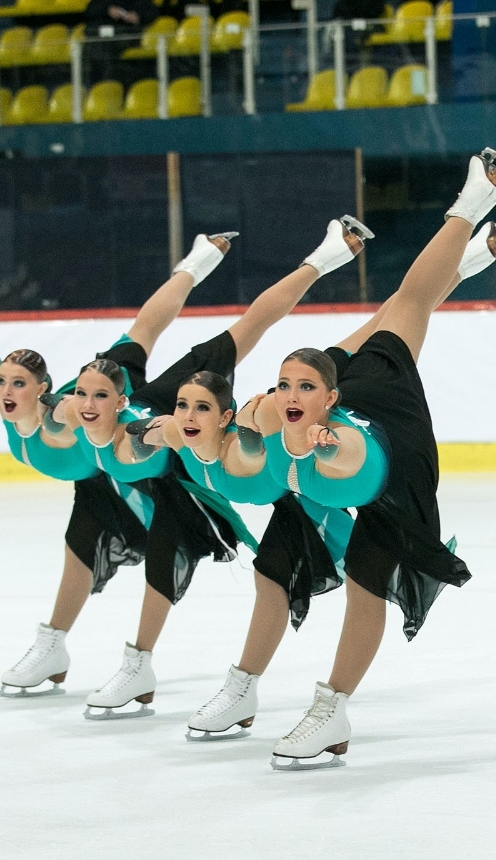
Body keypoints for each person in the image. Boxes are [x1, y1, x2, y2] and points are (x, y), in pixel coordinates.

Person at [238, 147, 496, 769]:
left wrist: (321, 442)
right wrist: (255, 414)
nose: (290, 396)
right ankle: (468, 262)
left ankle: (472, 201)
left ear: (328, 399)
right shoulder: (275, 408)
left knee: (409, 302)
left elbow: (341, 452)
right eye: (284, 387)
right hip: (355, 397)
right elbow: (255, 418)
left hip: (395, 453)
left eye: (303, 389)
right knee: (392, 311)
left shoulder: (335, 438)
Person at [46, 222, 373, 718]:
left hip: (216, 467)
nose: (86, 405)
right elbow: (142, 334)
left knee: (283, 341)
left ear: (122, 400)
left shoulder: (191, 428)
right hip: (184, 455)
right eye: (80, 397)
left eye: (97, 398)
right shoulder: (87, 406)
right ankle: (200, 258)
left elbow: (255, 338)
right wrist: (195, 265)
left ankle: (328, 257)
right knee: (144, 336)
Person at [0, 230, 236, 698]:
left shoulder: (71, 412)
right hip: (100, 476)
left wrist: (198, 262)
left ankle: (138, 664)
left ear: (43, 390)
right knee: (78, 547)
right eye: (2, 382)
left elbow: (141, 337)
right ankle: (52, 647)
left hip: (136, 456)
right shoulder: (11, 404)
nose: (6, 391)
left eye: (18, 384)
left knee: (152, 335)